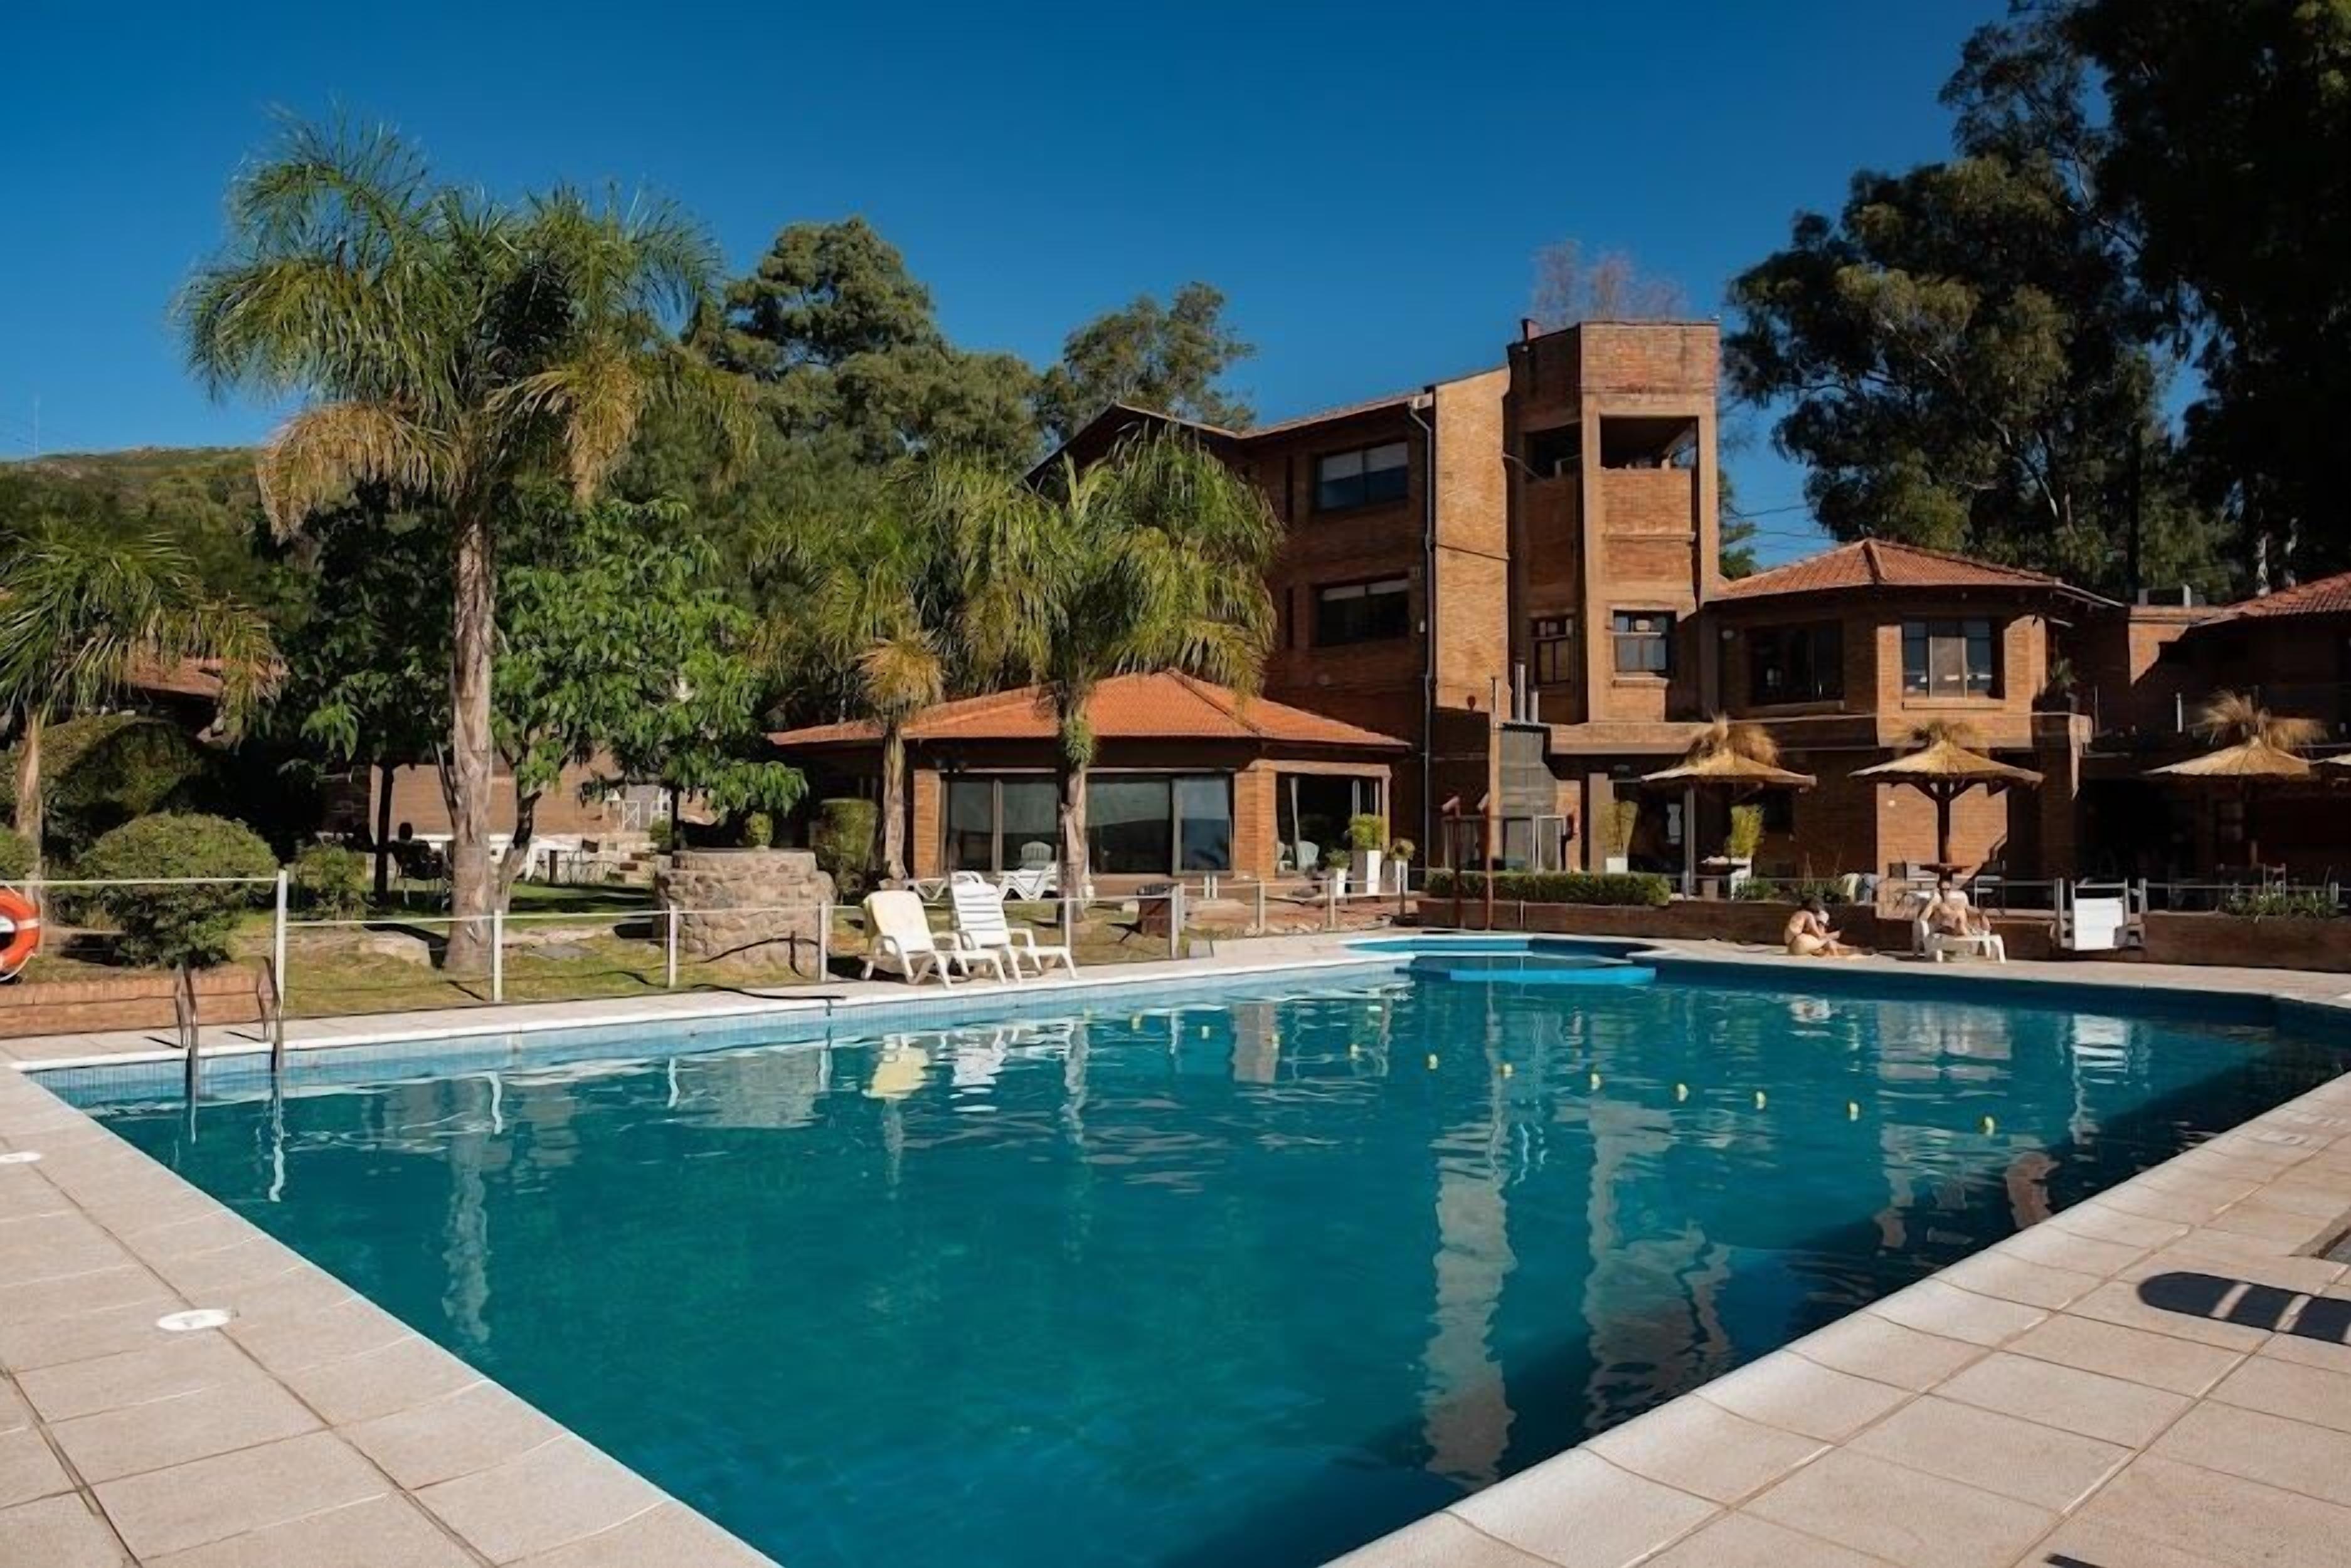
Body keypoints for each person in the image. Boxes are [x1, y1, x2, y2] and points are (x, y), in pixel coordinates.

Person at [1784, 896, 1861, 958]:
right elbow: (1820, 936)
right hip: (1800, 944)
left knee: (1826, 944)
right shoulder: (1808, 915)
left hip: (1791, 948)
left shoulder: (1798, 915)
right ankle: (1853, 951)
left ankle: (1854, 950)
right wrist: (1838, 933)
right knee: (1828, 940)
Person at [1926, 880, 1991, 939]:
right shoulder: (1936, 905)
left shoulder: (1958, 903)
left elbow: (1970, 909)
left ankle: (1984, 946)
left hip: (1963, 928)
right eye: (1942, 890)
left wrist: (1981, 915)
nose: (1944, 892)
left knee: (1982, 918)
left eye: (1947, 890)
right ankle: (1967, 934)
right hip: (1947, 931)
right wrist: (1931, 903)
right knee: (1959, 920)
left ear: (1951, 890)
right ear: (1938, 890)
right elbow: (1923, 919)